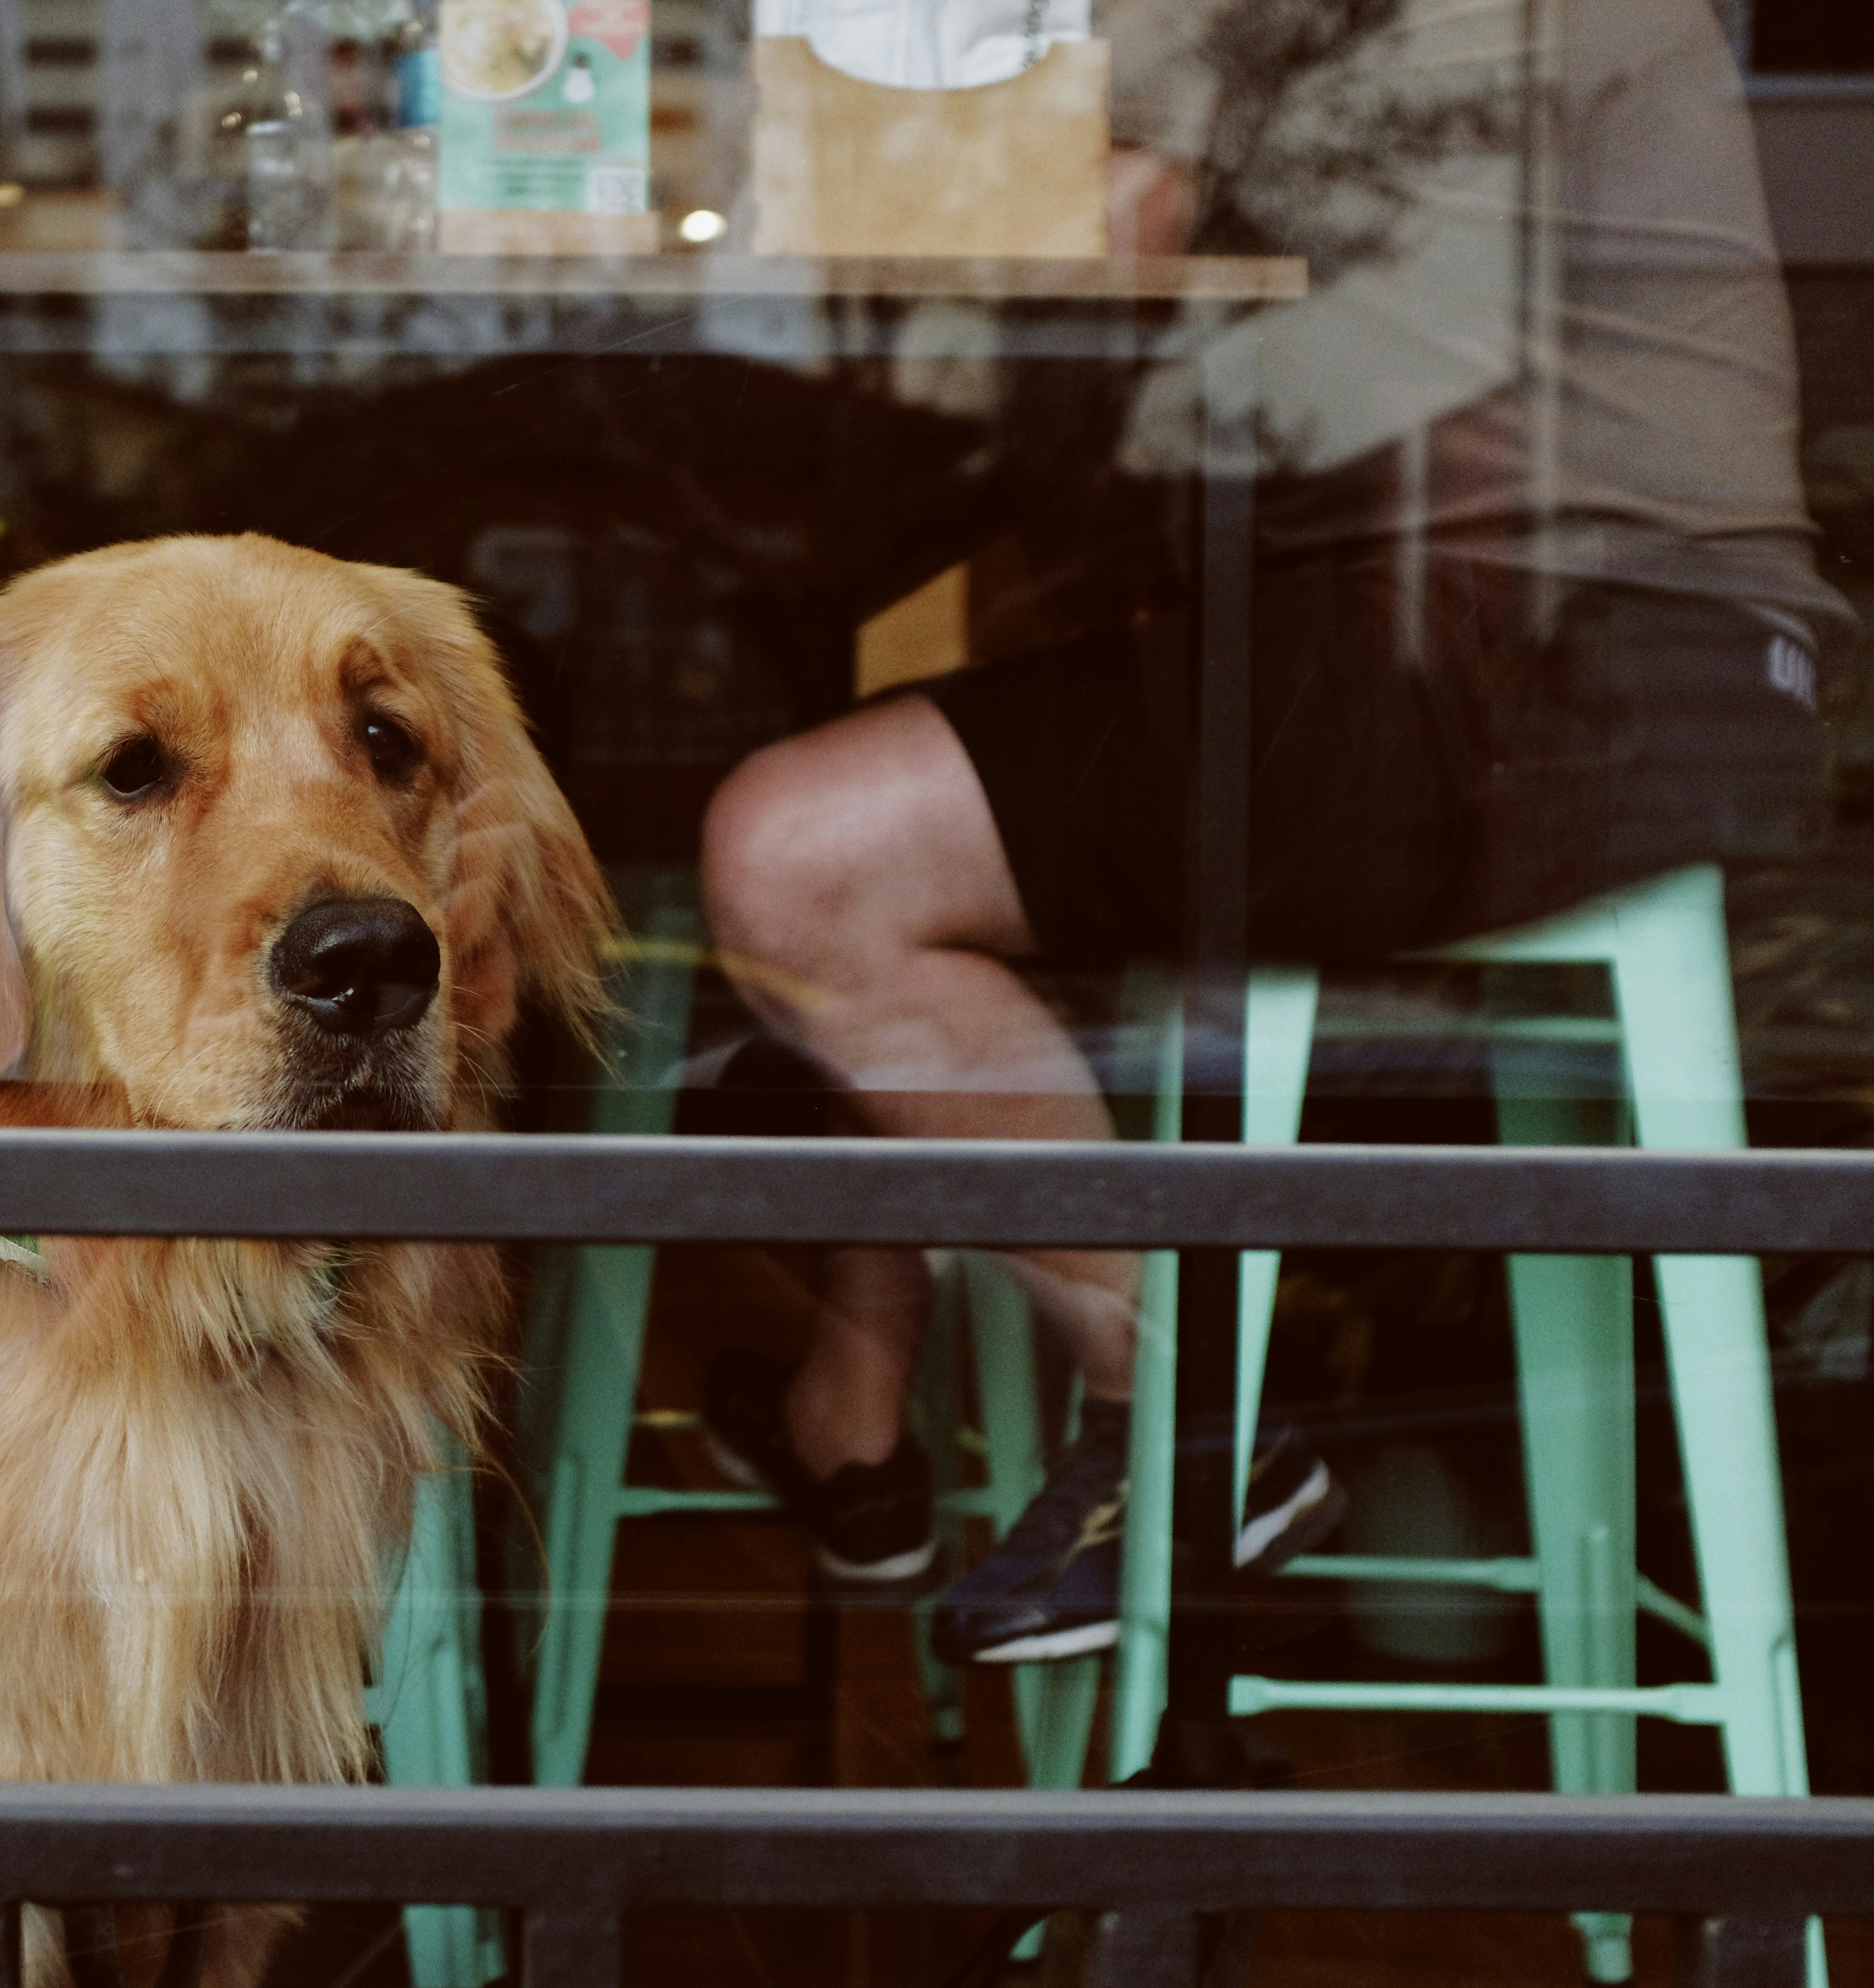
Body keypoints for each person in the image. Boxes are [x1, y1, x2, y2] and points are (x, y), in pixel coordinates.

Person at [699, 0, 1854, 1666]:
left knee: (801, 859)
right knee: (929, 766)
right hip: (1638, 653)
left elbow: (1089, 261)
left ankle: (1178, 1424)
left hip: (1522, 665)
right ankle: (853, 1412)